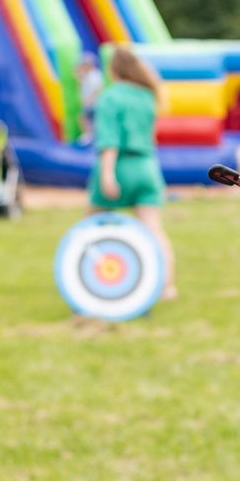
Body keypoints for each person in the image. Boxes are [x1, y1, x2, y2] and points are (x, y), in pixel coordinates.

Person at [89, 45, 176, 299]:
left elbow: (109, 141)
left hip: (120, 165)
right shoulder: (147, 95)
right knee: (154, 230)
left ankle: (88, 281)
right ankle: (167, 287)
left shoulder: (109, 96)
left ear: (113, 69)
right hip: (147, 167)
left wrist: (107, 174)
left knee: (90, 226)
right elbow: (151, 138)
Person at [76, 51, 104, 144]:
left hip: (93, 102)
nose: (83, 67)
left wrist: (90, 99)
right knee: (87, 118)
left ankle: (89, 135)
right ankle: (90, 135)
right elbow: (77, 74)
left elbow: (98, 89)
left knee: (84, 117)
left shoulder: (95, 75)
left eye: (85, 65)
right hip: (90, 102)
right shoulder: (87, 75)